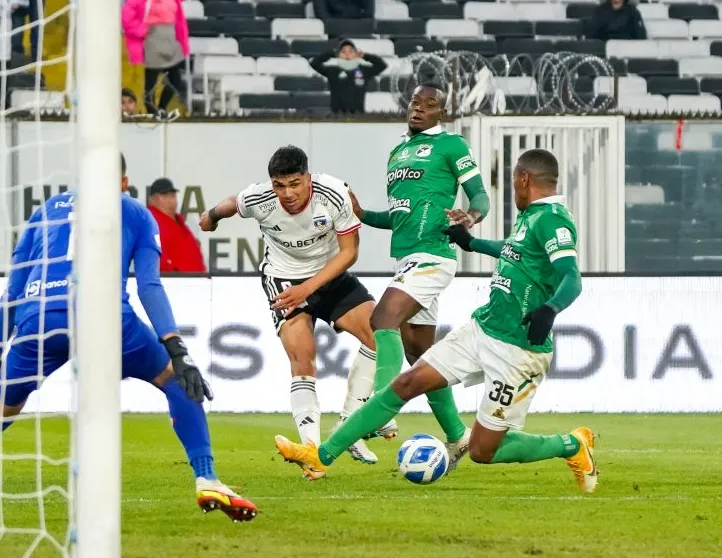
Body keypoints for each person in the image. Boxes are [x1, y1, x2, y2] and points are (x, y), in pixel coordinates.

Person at [0, 155, 257, 529]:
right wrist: (178, 350)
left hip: (39, 320)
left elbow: (13, 291)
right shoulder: (135, 211)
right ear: (124, 183)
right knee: (177, 380)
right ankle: (206, 478)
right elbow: (149, 286)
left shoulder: (45, 211)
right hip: (104, 316)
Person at [276, 149, 599, 494]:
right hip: (482, 329)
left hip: (518, 350)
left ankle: (572, 444)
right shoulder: (531, 216)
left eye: (512, 182)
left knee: (483, 451)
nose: (512, 189)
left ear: (523, 179)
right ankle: (320, 456)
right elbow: (515, 250)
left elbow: (571, 276)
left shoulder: (553, 219)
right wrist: (472, 243)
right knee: (406, 383)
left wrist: (550, 309)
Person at [200, 146, 389, 471]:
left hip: (329, 275)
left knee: (380, 336)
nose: (287, 193)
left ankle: (350, 426)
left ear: (308, 178)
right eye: (279, 185)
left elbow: (349, 253)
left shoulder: (334, 193)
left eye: (294, 184)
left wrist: (309, 287)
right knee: (303, 358)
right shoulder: (260, 198)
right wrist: (211, 217)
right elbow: (233, 203)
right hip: (284, 279)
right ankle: (311, 453)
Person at [338, 83, 491, 465]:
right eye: (414, 102)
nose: (419, 108)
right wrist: (362, 214)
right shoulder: (398, 151)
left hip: (433, 254)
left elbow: (480, 196)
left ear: (442, 112)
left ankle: (381, 407)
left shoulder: (451, 145)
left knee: (382, 318)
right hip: (407, 257)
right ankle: (457, 435)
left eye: (429, 104)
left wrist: (470, 217)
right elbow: (399, 215)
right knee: (419, 352)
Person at [121, 0, 192, 117]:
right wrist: (142, 30)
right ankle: (152, 111)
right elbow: (126, 18)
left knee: (175, 81)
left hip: (170, 38)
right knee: (151, 82)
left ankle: (161, 108)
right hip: (152, 39)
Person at [310, 39, 387, 115]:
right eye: (343, 52)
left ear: (356, 54)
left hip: (358, 116)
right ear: (338, 55)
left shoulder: (363, 71)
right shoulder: (333, 71)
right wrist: (331, 53)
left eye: (351, 51)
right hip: (337, 116)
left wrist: (365, 56)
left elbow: (382, 65)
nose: (347, 54)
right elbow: (314, 63)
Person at [147, 178, 206, 273]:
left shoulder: (178, 220)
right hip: (175, 279)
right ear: (152, 199)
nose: (170, 200)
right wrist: (172, 274)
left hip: (195, 278)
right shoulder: (151, 221)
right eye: (165, 196)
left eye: (172, 195)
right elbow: (154, 255)